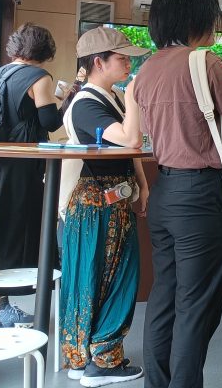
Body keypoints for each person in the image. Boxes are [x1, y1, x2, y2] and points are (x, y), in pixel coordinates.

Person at [131, 0, 222, 388]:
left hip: (165, 193)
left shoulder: (146, 69)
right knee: (196, 308)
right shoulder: (204, 63)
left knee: (164, 299)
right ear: (196, 21)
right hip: (201, 198)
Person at [58, 27, 149, 385]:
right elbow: (130, 138)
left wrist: (142, 185)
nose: (129, 64)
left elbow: (129, 148)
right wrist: (135, 97)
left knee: (98, 278)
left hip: (110, 202)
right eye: (122, 58)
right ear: (99, 62)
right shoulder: (86, 104)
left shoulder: (110, 97)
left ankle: (84, 359)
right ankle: (103, 361)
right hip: (96, 205)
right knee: (105, 280)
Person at [0, 23, 62, 327]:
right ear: (44, 50)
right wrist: (64, 98)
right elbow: (50, 121)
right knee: (13, 233)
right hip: (23, 166)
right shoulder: (39, 77)